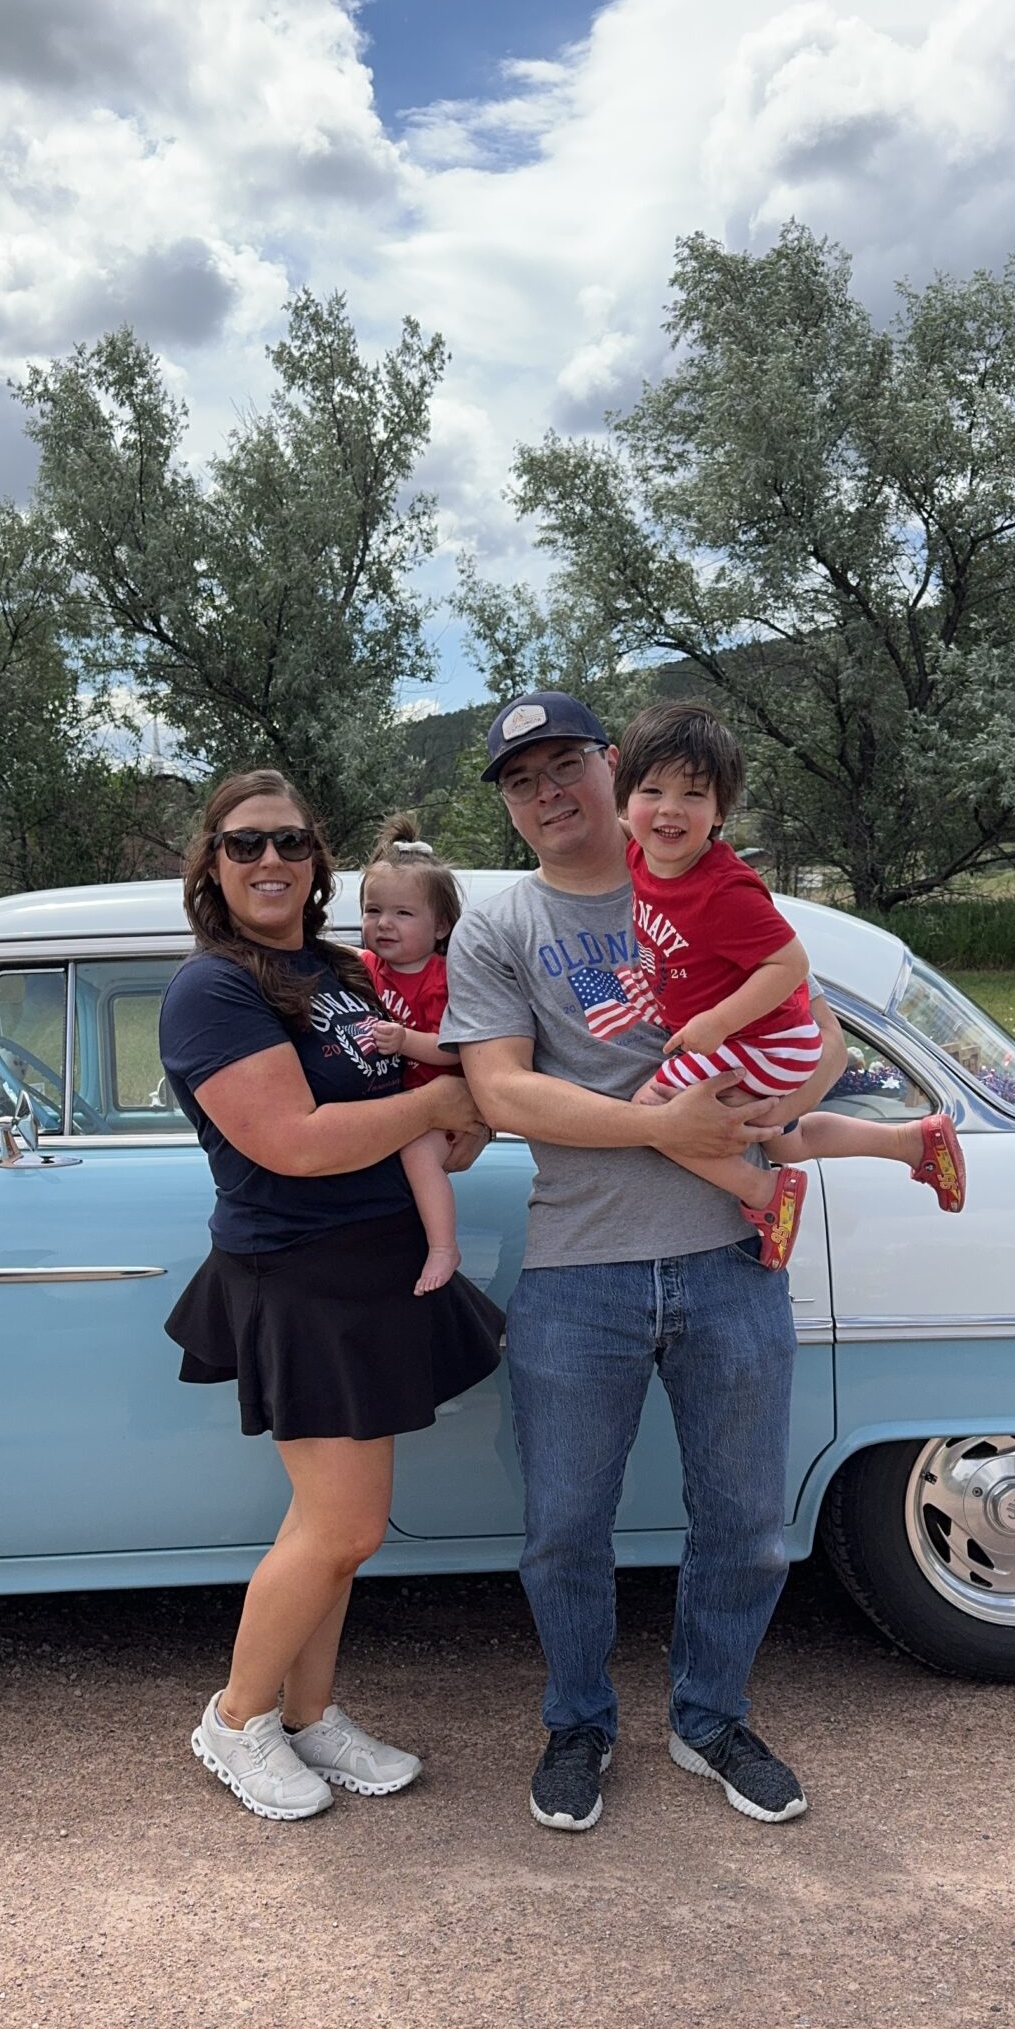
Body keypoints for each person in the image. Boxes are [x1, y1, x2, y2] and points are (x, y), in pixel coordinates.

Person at [438, 690, 846, 1836]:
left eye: (567, 763)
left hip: (729, 1258)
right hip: (579, 1267)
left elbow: (821, 1031)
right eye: (523, 780)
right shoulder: (498, 925)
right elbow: (503, 1091)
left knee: (748, 1522)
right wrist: (665, 1127)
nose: (549, 792)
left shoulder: (697, 867)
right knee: (565, 1527)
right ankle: (580, 1720)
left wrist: (779, 1112)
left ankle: (710, 1717)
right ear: (511, 805)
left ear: (616, 767)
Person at [158, 769, 501, 1823]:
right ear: (212, 864)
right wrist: (442, 1099)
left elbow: (417, 1115)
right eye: (246, 843)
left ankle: (308, 1717)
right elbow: (294, 1142)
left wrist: (464, 1117)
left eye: (292, 844)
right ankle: (235, 1716)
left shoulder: (345, 971)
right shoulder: (214, 988)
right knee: (344, 1527)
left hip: (374, 1268)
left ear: (318, 864)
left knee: (340, 1524)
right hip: (299, 1276)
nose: (272, 862)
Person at [614, 699, 966, 1269]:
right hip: (755, 1037)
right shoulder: (638, 851)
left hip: (763, 1039)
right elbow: (621, 821)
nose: (669, 811)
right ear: (626, 797)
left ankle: (765, 1194)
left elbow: (791, 964)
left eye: (694, 796)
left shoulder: (725, 890)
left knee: (651, 1110)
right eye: (652, 792)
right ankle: (912, 1141)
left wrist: (715, 1023)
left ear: (722, 811)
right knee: (779, 1138)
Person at [355, 814, 467, 1297]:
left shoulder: (443, 976)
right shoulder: (362, 967)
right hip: (393, 1106)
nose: (384, 924)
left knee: (418, 1154)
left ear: (440, 925)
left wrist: (404, 1041)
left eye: (403, 914)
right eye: (372, 909)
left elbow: (453, 1047)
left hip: (439, 1108)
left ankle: (443, 1246)